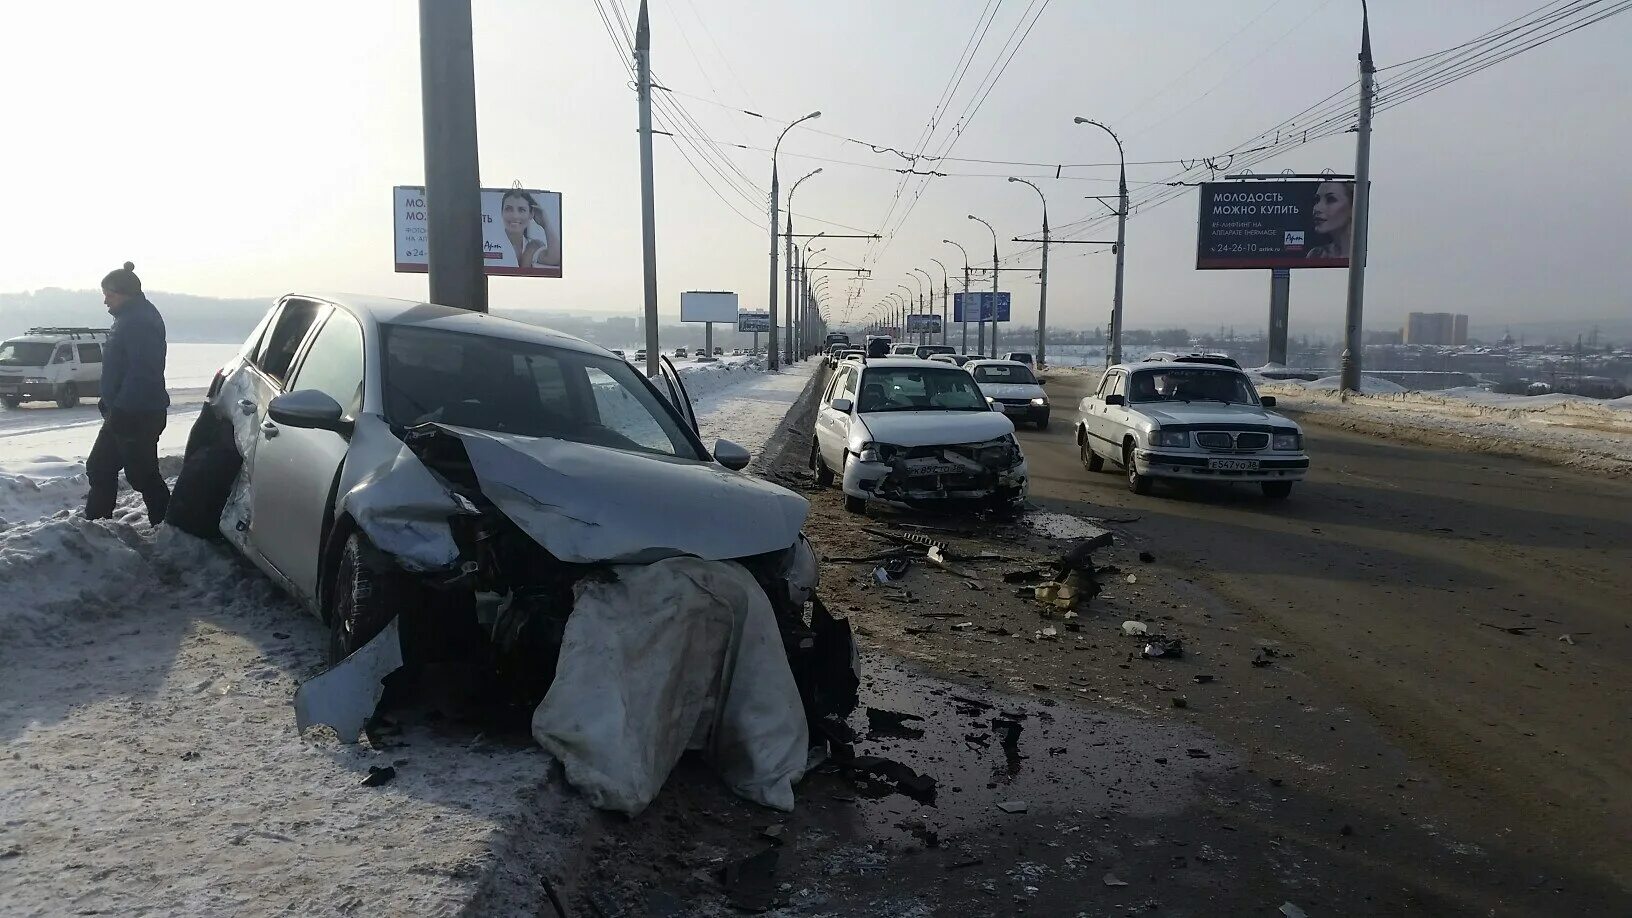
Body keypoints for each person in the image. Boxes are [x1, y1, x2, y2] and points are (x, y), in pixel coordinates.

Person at [85, 262, 170, 524]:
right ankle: (97, 524)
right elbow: (121, 369)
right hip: (126, 410)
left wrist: (121, 407)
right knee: (101, 466)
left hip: (137, 413)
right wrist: (109, 400)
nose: (105, 301)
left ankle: (169, 524)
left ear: (125, 293)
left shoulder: (138, 322)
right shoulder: (129, 318)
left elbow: (142, 371)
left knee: (141, 474)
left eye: (109, 295)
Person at [498, 189, 560, 271]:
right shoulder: (492, 243)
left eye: (521, 210)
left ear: (531, 214)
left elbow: (555, 258)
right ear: (502, 212)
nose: (515, 216)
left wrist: (546, 224)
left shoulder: (533, 246)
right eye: (509, 209)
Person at [1306, 181, 1354, 259]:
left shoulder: (1363, 254)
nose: (1317, 208)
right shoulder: (1316, 254)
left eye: (1331, 199)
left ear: (1352, 208)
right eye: (1317, 200)